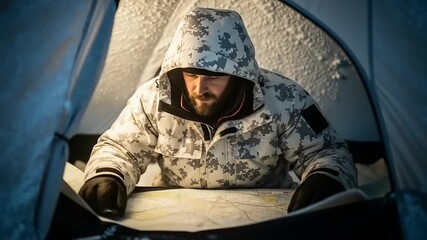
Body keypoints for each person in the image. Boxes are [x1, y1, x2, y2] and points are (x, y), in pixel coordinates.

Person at [78, 7, 357, 218]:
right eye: (191, 74)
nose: (200, 87)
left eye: (213, 76)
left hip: (263, 221)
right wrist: (108, 174)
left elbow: (326, 151)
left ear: (238, 74)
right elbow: (120, 148)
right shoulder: (153, 99)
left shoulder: (285, 99)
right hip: (173, 218)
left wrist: (327, 177)